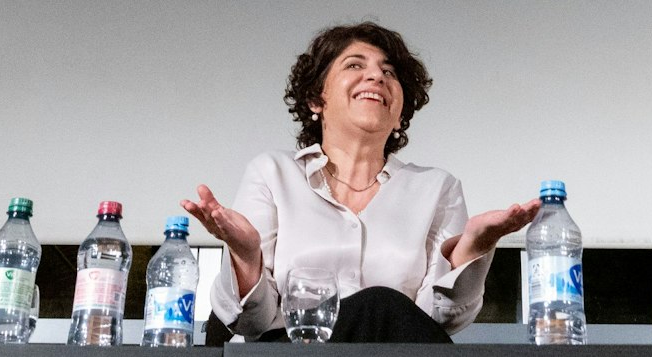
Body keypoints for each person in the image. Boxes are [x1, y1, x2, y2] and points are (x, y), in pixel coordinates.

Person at [181, 22, 538, 342]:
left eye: (389, 73)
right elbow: (251, 322)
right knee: (380, 304)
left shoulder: (437, 188)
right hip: (294, 355)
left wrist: (473, 248)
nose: (377, 77)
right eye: (355, 65)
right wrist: (246, 257)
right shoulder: (273, 173)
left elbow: (436, 322)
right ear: (315, 99)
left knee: (383, 307)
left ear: (399, 114)